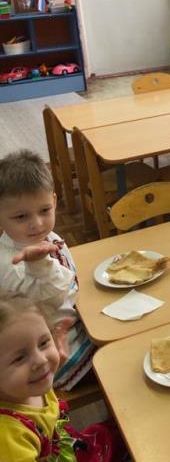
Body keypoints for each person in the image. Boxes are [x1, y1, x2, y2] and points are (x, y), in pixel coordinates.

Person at [0, 296, 153, 462]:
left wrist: (55, 353)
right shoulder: (8, 435)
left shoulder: (25, 386)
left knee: (141, 440)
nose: (41, 360)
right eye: (20, 358)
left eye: (43, 343)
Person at [0, 150, 93, 390]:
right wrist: (38, 265)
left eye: (44, 210)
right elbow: (51, 300)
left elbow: (70, 284)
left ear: (54, 201)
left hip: (78, 322)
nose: (37, 223)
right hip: (57, 353)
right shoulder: (12, 264)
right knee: (121, 357)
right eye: (21, 216)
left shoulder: (42, 237)